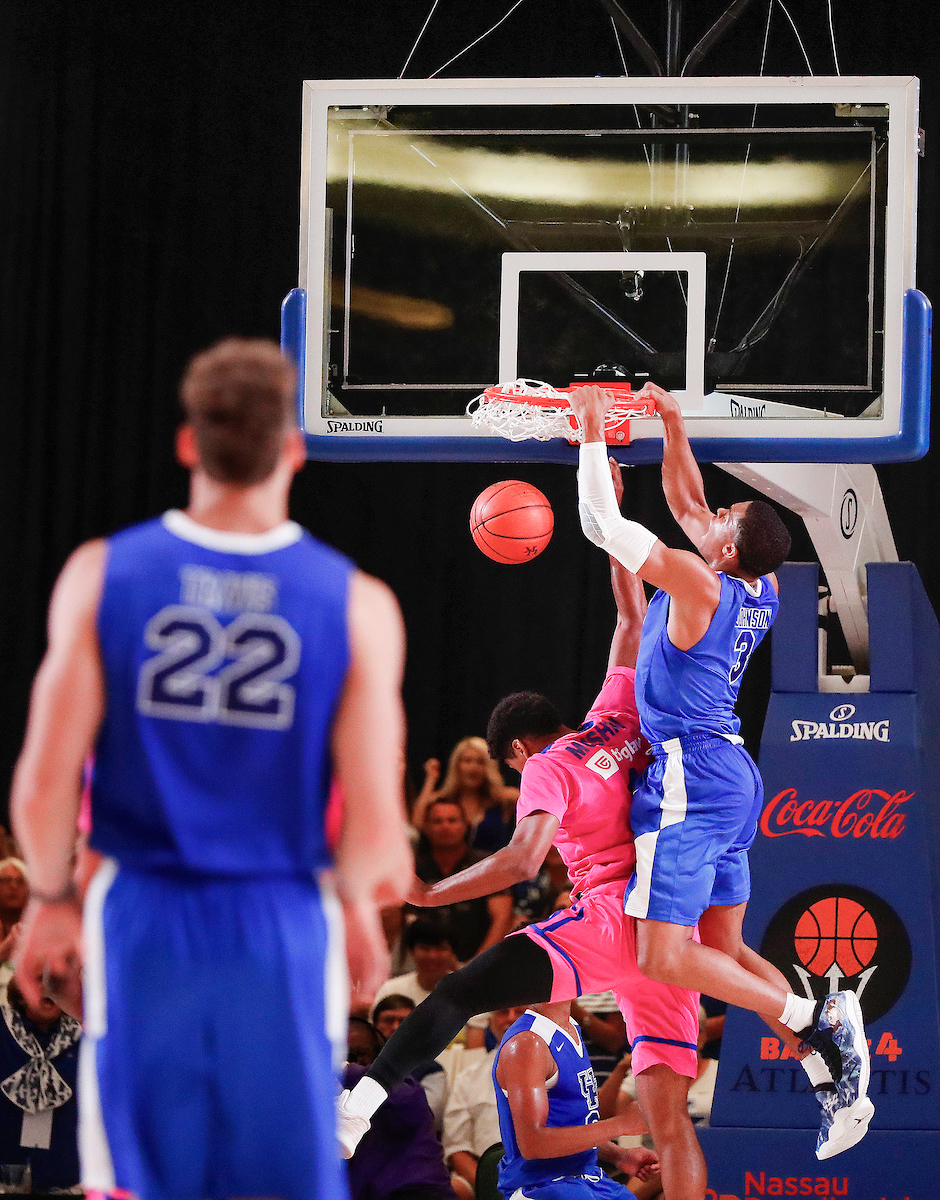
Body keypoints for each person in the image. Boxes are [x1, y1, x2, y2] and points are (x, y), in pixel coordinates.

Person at [10, 337, 413, 1200]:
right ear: (294, 449)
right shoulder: (358, 603)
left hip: (142, 913)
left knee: (142, 1181)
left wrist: (48, 900)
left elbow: (46, 779)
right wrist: (357, 910)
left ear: (189, 442)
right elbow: (377, 812)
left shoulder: (101, 573)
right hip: (282, 917)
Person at [339, 465, 708, 1200]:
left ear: (516, 750)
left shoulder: (548, 767)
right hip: (674, 927)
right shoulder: (619, 716)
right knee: (671, 1123)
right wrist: (610, 524)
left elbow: (522, 858)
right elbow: (631, 621)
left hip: (613, 921)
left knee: (456, 995)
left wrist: (432, 894)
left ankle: (357, 1110)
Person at [568, 381, 872, 1160]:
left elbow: (602, 522)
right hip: (729, 776)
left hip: (690, 778)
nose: (711, 516)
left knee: (662, 956)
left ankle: (819, 1021)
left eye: (723, 521)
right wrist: (670, 420)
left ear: (727, 547)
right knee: (724, 951)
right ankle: (827, 1072)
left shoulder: (699, 581)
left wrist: (595, 435)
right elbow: (689, 499)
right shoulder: (758, 585)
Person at [494, 1001, 658, 1200]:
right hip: (542, 1187)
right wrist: (620, 1125)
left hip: (586, 1179)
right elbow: (533, 1144)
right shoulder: (527, 1042)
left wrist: (618, 1155)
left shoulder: (569, 1026)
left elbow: (572, 1126)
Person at [343, 1017, 459, 1200]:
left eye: (358, 1054)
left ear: (379, 1058)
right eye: (342, 1055)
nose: (350, 1062)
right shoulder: (327, 1097)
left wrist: (338, 1069)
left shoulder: (406, 1087)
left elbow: (395, 1095)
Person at [414, 800, 514, 961]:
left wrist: (475, 965)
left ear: (466, 825)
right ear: (425, 827)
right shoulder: (413, 867)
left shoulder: (488, 864)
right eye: (437, 821)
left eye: (452, 820)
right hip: (423, 962)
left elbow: (502, 918)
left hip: (477, 960)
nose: (445, 827)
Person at [414, 738, 518, 854]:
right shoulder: (444, 799)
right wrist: (431, 778)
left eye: (480, 762)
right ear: (457, 765)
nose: (473, 768)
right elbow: (417, 823)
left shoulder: (503, 799)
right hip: (454, 869)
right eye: (467, 761)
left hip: (494, 868)